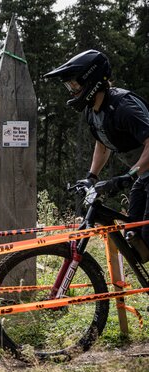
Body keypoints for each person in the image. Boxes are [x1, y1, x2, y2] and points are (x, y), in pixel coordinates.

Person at [44, 49, 149, 258]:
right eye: (69, 87)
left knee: (148, 236)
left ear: (91, 80)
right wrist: (91, 177)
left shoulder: (123, 107)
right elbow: (102, 145)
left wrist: (129, 175)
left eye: (74, 85)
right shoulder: (93, 111)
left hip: (142, 174)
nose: (72, 92)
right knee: (135, 240)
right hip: (145, 176)